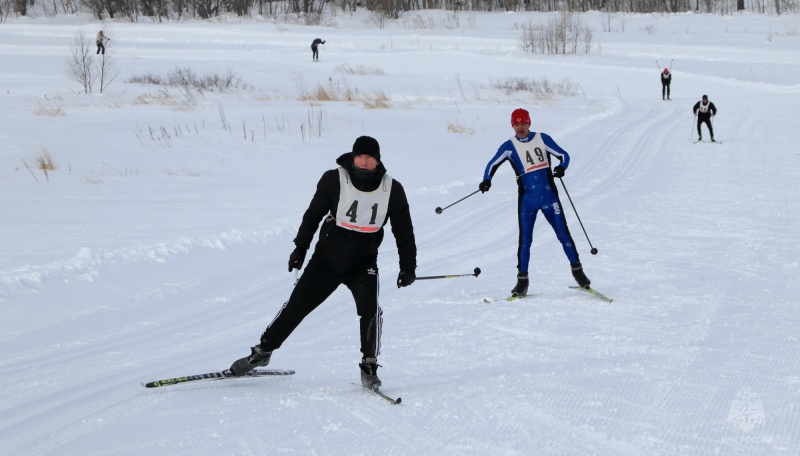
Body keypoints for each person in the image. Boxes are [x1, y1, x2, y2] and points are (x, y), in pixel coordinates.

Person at [229, 136, 417, 390]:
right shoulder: (333, 179)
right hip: (327, 259)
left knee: (370, 309)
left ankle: (369, 365)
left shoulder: (392, 189)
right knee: (296, 306)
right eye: (360, 156)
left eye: (370, 157)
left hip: (363, 262)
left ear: (378, 160)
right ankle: (262, 352)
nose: (364, 162)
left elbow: (404, 231)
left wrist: (408, 268)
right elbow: (313, 215)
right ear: (352, 157)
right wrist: (300, 248)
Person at [479, 108, 590, 297]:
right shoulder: (509, 146)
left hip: (549, 197)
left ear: (529, 123)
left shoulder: (542, 138)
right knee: (525, 240)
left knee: (563, 234)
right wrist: (487, 180)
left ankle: (579, 274)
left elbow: (564, 155)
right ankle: (522, 282)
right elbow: (492, 164)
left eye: (524, 123)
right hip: (527, 201)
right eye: (516, 124)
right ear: (512, 125)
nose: (520, 127)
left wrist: (561, 167)